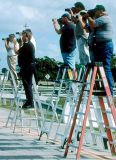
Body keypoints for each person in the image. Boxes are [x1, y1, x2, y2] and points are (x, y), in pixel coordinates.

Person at [87, 5, 114, 95]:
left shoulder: (104, 18)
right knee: (100, 67)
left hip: (105, 45)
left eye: (96, 11)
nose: (95, 13)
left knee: (106, 67)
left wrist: (88, 16)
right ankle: (103, 88)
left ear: (100, 11)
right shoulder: (101, 18)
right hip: (101, 45)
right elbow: (90, 27)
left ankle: (109, 91)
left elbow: (93, 24)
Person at [14, 30, 36, 109]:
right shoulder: (28, 45)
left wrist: (14, 43)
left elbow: (17, 52)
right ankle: (29, 101)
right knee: (27, 85)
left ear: (27, 36)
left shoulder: (27, 45)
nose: (22, 37)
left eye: (23, 36)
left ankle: (30, 102)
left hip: (27, 67)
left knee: (27, 85)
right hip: (29, 67)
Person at [52, 13, 77, 79]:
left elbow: (58, 31)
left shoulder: (68, 26)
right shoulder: (70, 25)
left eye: (62, 18)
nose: (61, 19)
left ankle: (74, 85)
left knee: (71, 68)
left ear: (66, 18)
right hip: (68, 49)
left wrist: (55, 23)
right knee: (69, 67)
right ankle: (71, 85)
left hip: (68, 50)